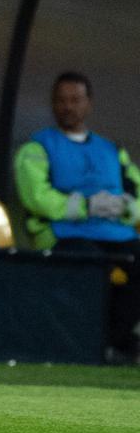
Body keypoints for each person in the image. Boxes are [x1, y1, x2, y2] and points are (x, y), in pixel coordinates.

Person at [15, 71, 140, 363]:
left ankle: (115, 342)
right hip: (64, 234)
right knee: (89, 264)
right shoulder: (37, 148)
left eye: (75, 100)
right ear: (53, 104)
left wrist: (125, 207)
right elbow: (36, 197)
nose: (68, 107)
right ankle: (86, 345)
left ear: (88, 104)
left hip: (114, 234)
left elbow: (135, 189)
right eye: (62, 101)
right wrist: (86, 206)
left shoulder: (111, 150)